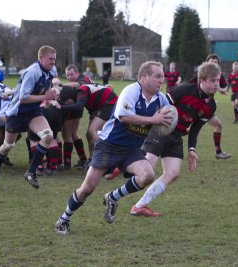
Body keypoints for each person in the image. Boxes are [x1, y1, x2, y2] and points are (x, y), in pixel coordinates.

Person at [54, 61, 172, 234]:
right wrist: (153, 120)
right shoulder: (131, 91)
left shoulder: (161, 100)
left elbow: (167, 121)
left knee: (147, 175)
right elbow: (124, 117)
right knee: (88, 188)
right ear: (144, 77)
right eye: (158, 76)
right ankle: (63, 219)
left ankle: (113, 197)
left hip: (131, 149)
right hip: (108, 145)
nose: (162, 80)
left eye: (162, 76)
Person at [117, 61, 221, 217]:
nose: (217, 84)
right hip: (159, 131)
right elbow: (159, 104)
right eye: (213, 80)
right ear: (203, 80)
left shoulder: (211, 105)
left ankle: (140, 206)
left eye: (218, 80)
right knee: (148, 168)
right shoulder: (185, 90)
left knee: (173, 172)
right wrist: (149, 124)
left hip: (176, 136)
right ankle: (117, 184)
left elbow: (195, 129)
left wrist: (191, 149)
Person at [0, 45, 58, 189]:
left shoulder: (52, 70)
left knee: (47, 135)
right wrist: (45, 96)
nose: (53, 62)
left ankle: (31, 172)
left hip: (33, 111)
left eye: (54, 59)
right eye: (50, 59)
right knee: (8, 145)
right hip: (17, 113)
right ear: (41, 58)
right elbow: (23, 98)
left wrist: (48, 98)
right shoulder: (32, 72)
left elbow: (48, 85)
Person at [188, 54, 231, 159]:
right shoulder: (201, 74)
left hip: (207, 107)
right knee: (190, 129)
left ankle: (218, 152)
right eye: (211, 61)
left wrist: (219, 88)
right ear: (207, 63)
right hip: (195, 106)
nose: (213, 63)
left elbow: (225, 89)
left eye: (215, 62)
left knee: (218, 125)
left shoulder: (218, 75)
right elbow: (189, 86)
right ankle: (190, 151)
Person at [59, 64, 92, 170]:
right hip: (76, 107)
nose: (69, 77)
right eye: (67, 75)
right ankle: (83, 160)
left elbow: (78, 84)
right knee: (73, 135)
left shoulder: (83, 79)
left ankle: (67, 164)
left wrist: (60, 85)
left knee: (67, 135)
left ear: (77, 73)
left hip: (75, 108)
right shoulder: (74, 82)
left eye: (71, 74)